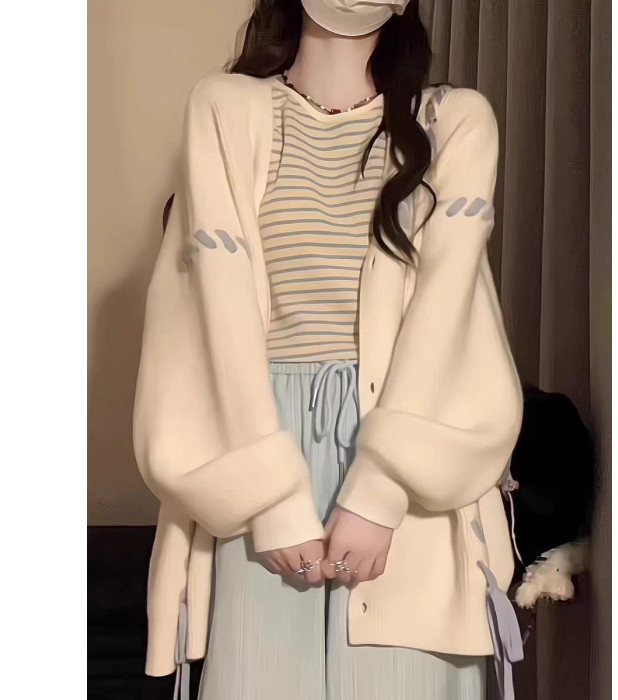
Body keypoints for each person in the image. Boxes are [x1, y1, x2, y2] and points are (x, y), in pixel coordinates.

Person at [133, 1, 525, 699]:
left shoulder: (455, 120)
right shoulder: (225, 108)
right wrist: (268, 498)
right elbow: (202, 315)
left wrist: (381, 488)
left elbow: (448, 314)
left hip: (410, 454)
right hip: (259, 443)